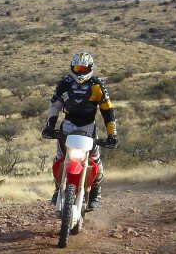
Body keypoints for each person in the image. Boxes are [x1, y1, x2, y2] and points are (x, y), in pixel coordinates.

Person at [41, 51, 118, 211]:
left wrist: (112, 135)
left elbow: (107, 111)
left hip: (88, 128)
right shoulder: (65, 84)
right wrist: (50, 126)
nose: (80, 72)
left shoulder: (98, 85)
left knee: (95, 160)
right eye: (77, 68)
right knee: (60, 159)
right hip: (67, 125)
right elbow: (54, 105)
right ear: (72, 68)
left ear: (90, 68)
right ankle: (57, 188)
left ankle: (96, 192)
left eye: (83, 69)